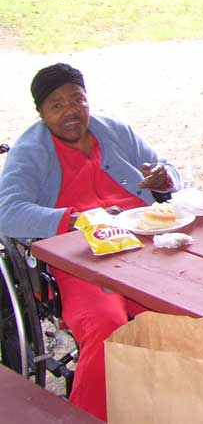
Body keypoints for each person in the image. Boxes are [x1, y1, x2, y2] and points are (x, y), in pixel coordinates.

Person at [0, 63, 180, 421]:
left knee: (183, 316)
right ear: (41, 113)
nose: (70, 111)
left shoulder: (115, 131)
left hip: (142, 244)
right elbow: (6, 211)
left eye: (76, 99)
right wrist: (73, 219)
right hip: (80, 257)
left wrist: (164, 179)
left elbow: (171, 170)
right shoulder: (31, 150)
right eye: (56, 105)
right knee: (106, 327)